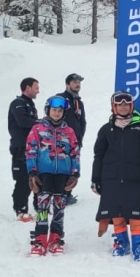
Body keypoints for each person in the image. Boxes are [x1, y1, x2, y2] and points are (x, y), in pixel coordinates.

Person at [91, 91, 140, 260]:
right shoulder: (106, 129)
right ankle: (121, 242)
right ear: (114, 107)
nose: (124, 107)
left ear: (131, 106)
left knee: (135, 212)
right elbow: (98, 155)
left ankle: (139, 243)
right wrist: (95, 179)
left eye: (127, 104)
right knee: (116, 212)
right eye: (120, 104)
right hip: (110, 177)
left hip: (133, 177)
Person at [24, 95, 80, 255]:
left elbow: (75, 152)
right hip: (44, 174)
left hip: (63, 174)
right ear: (48, 110)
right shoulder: (38, 129)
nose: (57, 113)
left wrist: (75, 173)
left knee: (59, 207)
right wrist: (32, 172)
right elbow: (30, 150)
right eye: (54, 110)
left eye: (60, 111)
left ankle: (56, 238)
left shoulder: (68, 131)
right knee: (42, 207)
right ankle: (40, 239)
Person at [8, 77, 41, 220]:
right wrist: (41, 122)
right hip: (20, 147)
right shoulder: (18, 103)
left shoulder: (30, 104)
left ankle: (40, 209)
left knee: (38, 178)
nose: (38, 91)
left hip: (33, 148)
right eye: (36, 88)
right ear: (27, 88)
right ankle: (20, 211)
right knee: (23, 180)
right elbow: (22, 121)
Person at [58, 73, 88, 204]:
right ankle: (59, 194)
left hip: (75, 142)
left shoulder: (78, 102)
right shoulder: (61, 98)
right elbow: (54, 117)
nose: (77, 85)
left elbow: (82, 122)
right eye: (75, 82)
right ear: (67, 84)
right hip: (61, 141)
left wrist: (79, 137)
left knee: (73, 169)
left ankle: (67, 194)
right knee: (61, 168)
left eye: (79, 83)